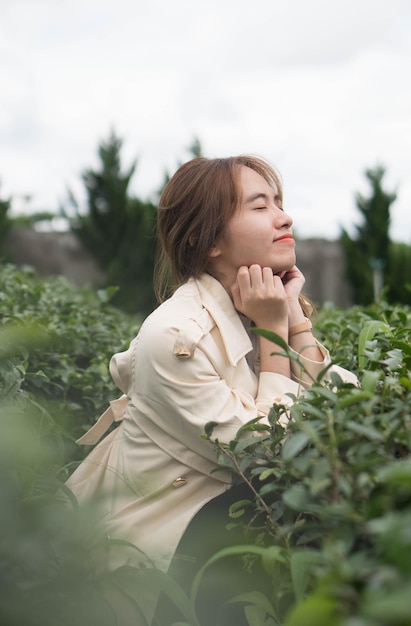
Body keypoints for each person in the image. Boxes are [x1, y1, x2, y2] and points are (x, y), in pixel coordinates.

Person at [66, 155, 357, 624]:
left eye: (279, 202)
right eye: (260, 207)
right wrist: (274, 334)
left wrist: (294, 319)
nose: (284, 217)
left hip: (224, 529)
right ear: (205, 241)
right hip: (163, 560)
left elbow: (343, 416)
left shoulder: (256, 306)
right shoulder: (176, 335)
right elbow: (270, 454)